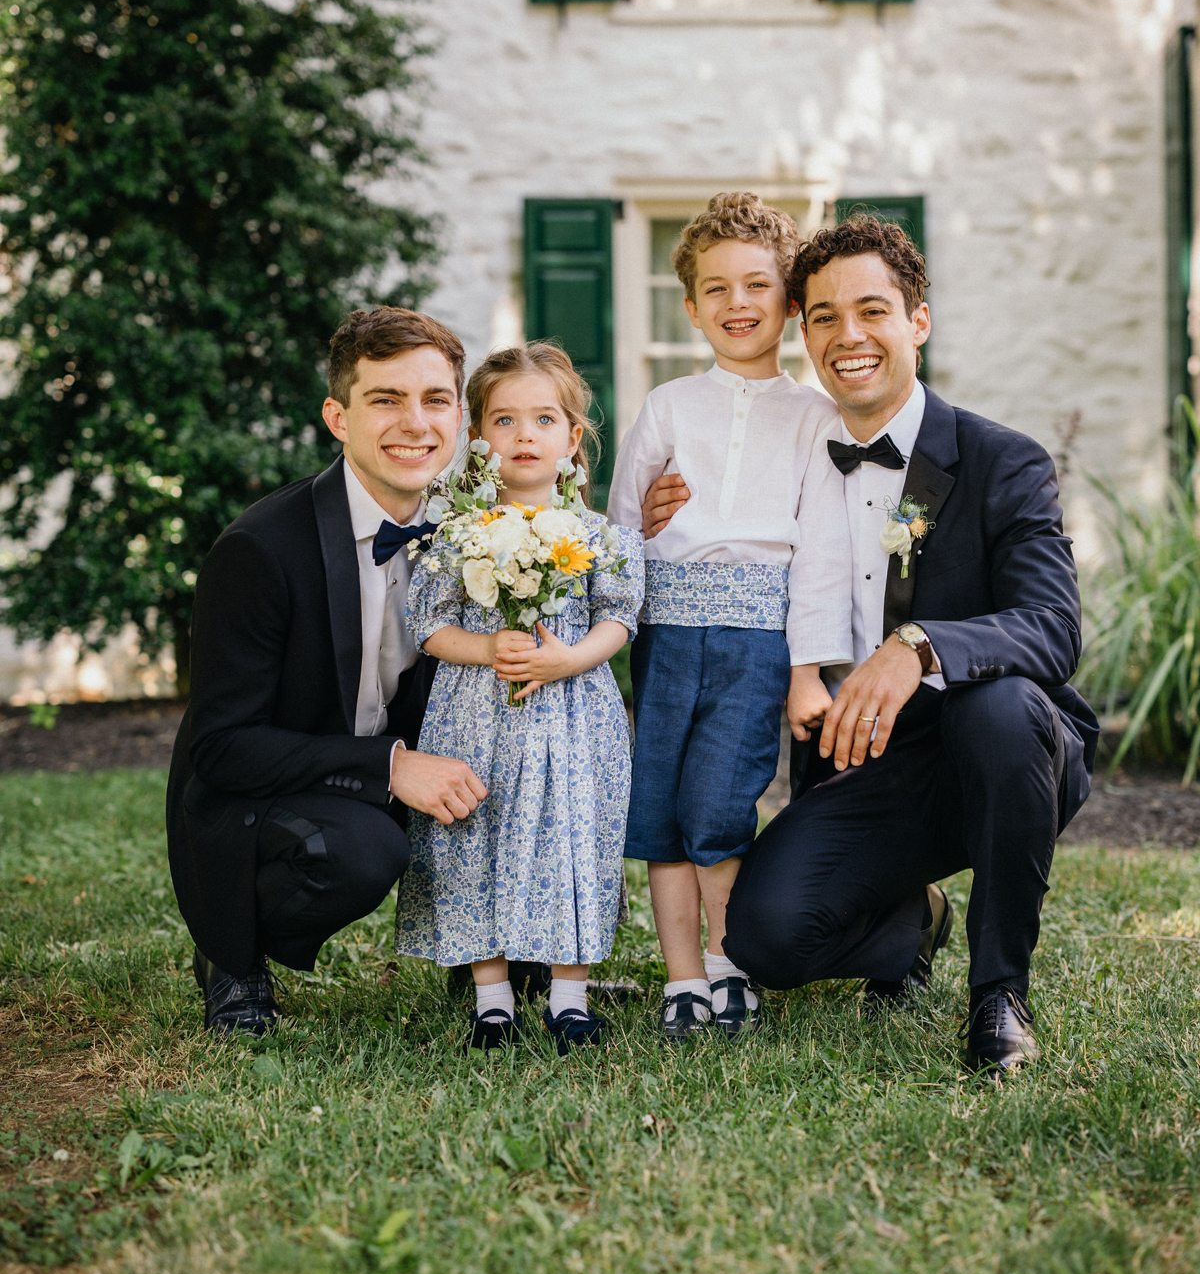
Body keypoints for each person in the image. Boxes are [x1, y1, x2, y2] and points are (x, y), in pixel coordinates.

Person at [640, 215, 1097, 1074]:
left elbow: (1053, 627)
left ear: (917, 321)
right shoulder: (790, 441)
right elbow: (711, 524)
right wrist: (653, 517)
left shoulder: (1002, 461)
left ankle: (1000, 997)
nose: (848, 336)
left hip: (1002, 748)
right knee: (766, 939)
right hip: (866, 760)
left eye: (872, 311)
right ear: (801, 330)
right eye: (822, 316)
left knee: (995, 710)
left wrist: (917, 647)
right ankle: (912, 922)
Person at [167, 307, 488, 1037]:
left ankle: (508, 965)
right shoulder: (259, 549)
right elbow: (222, 748)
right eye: (386, 399)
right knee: (361, 852)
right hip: (263, 790)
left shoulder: (475, 531)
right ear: (338, 417)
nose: (416, 422)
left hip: (390, 762)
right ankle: (233, 954)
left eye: (435, 400)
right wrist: (392, 767)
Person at [607, 193, 852, 1041]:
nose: (738, 304)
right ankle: (682, 980)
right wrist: (639, 528)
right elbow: (618, 525)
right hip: (666, 637)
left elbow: (820, 553)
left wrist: (807, 669)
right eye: (717, 289)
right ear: (690, 306)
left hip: (756, 642)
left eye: (758, 285)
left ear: (789, 301)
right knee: (661, 814)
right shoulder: (670, 406)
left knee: (718, 808)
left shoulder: (815, 419)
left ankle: (729, 964)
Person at [394, 343, 644, 1055]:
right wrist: (484, 648)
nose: (524, 435)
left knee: (573, 838)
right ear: (479, 439)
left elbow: (619, 619)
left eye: (542, 419)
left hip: (575, 714)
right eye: (504, 420)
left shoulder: (601, 537)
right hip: (476, 712)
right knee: (475, 831)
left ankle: (569, 996)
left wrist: (568, 658)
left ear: (571, 438)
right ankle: (492, 997)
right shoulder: (460, 533)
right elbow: (429, 624)